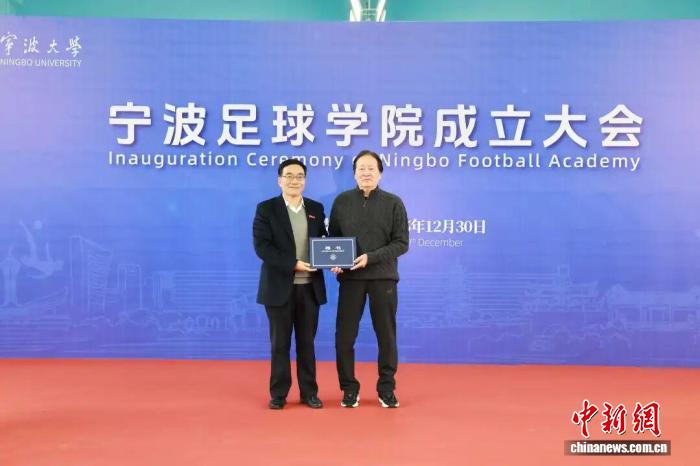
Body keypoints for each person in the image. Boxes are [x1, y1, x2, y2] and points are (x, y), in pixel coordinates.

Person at [329, 150, 409, 408]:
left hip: (383, 278)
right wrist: (335, 260)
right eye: (361, 168)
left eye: (371, 168)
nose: (366, 173)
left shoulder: (393, 203)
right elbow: (334, 239)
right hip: (351, 279)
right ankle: (348, 389)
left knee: (386, 336)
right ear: (354, 173)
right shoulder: (342, 201)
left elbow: (401, 243)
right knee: (344, 336)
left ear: (380, 173)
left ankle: (386, 388)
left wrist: (371, 257)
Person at [253, 159, 327, 409]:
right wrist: (293, 264)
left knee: (307, 344)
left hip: (310, 288)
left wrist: (335, 259)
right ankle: (279, 394)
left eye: (299, 176)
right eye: (289, 176)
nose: (294, 180)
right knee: (280, 344)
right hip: (278, 289)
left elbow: (324, 241)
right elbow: (262, 247)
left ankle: (309, 393)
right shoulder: (267, 209)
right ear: (279, 180)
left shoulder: (316, 208)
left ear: (305, 180)